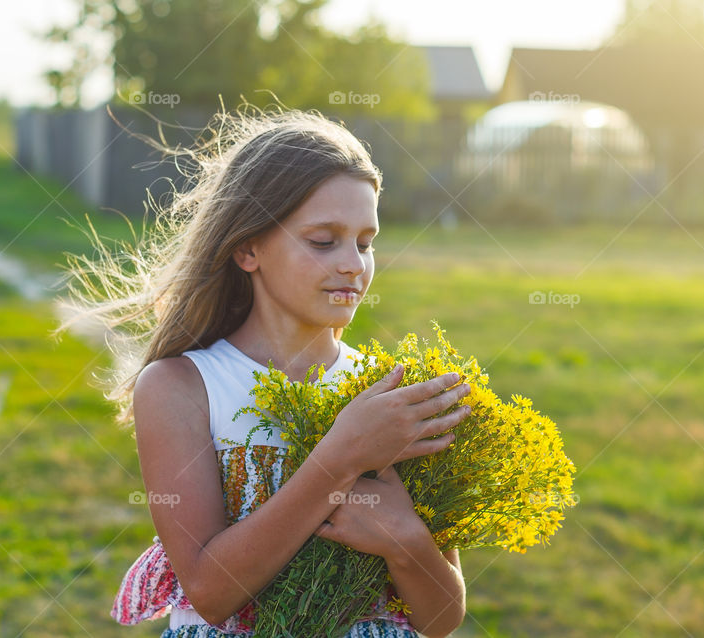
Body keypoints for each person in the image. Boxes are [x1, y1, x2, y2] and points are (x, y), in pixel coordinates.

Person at [60, 104, 470, 637]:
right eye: (323, 240)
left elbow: (441, 620)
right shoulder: (183, 387)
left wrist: (406, 540)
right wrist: (342, 455)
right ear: (249, 247)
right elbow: (211, 592)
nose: (353, 263)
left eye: (365, 243)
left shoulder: (389, 396)